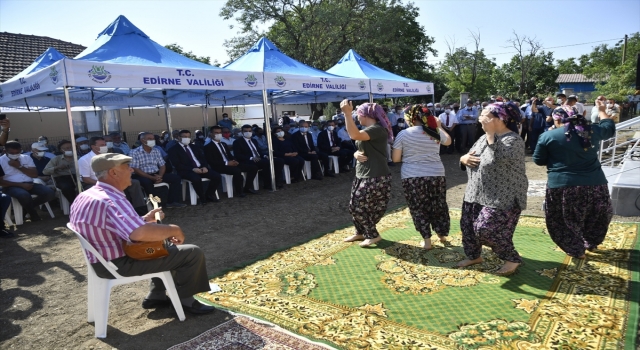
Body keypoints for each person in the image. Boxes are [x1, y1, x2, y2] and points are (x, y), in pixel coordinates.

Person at [69, 153, 215, 314]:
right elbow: (137, 234)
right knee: (191, 253)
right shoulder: (111, 199)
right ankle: (186, 302)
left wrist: (145, 219)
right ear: (113, 173)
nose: (131, 170)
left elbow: (114, 225)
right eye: (126, 167)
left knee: (161, 247)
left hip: (102, 261)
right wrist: (173, 229)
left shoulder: (88, 195)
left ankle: (156, 295)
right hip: (119, 263)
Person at [533, 101, 615, 259]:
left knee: (563, 219)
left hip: (563, 185)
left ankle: (576, 249)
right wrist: (602, 110)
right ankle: (591, 242)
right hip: (595, 183)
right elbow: (609, 128)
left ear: (557, 120)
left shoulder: (547, 136)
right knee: (595, 216)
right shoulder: (592, 131)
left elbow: (538, 160)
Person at [458, 102, 527, 276]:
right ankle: (474, 256)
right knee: (468, 228)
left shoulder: (513, 140)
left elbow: (498, 157)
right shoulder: (482, 138)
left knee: (486, 229)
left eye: (485, 115)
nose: (480, 118)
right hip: (475, 193)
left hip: (502, 196)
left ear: (499, 119)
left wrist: (490, 133)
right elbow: (471, 156)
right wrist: (463, 158)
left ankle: (511, 258)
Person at [392, 105, 452, 250]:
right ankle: (442, 234)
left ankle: (427, 240)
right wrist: (439, 126)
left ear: (411, 118)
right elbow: (448, 141)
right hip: (436, 174)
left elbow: (395, 159)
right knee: (438, 204)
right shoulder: (434, 131)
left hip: (412, 175)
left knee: (418, 207)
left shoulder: (404, 134)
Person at [339, 100, 393, 247]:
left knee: (359, 206)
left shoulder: (377, 129)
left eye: (358, 114)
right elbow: (359, 141)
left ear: (366, 115)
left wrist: (347, 113)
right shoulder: (370, 129)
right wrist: (356, 153)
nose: (357, 117)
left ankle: (372, 234)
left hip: (376, 174)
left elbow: (354, 135)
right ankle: (360, 232)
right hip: (363, 173)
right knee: (355, 205)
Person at [78, 136, 148, 215]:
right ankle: (119, 212)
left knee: (134, 183)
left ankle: (140, 211)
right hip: (93, 183)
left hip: (112, 179)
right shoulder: (84, 160)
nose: (105, 146)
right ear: (93, 147)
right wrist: (106, 184)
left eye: (105, 144)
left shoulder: (109, 157)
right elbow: (86, 179)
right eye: (102, 145)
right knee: (115, 187)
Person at [0, 141, 56, 221]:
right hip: (10, 186)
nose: (15, 154)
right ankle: (33, 214)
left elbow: (34, 175)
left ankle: (25, 210)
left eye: (17, 152)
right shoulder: (1, 161)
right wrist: (21, 185)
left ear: (21, 150)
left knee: (49, 193)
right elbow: (1, 182)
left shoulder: (26, 158)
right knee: (23, 194)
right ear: (5, 151)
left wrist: (19, 166)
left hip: (30, 183)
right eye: (12, 152)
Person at [130, 132, 186, 208]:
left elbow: (162, 165)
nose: (152, 140)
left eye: (153, 139)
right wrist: (151, 177)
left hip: (156, 173)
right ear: (142, 140)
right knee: (147, 183)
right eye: (149, 139)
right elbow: (135, 169)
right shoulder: (134, 152)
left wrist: (160, 176)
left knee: (176, 178)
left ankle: (172, 201)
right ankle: (155, 204)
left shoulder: (156, 151)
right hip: (141, 175)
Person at [168, 130, 221, 205]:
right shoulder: (173, 149)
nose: (187, 138)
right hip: (186, 171)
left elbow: (203, 159)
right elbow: (177, 164)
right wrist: (192, 169)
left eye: (188, 137)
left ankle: (209, 194)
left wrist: (204, 167)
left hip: (200, 168)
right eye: (184, 137)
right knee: (196, 178)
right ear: (179, 137)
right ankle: (202, 198)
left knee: (217, 176)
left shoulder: (194, 147)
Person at [203, 126, 259, 198]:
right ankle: (239, 191)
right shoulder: (208, 147)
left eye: (220, 132)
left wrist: (234, 161)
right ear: (211, 134)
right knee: (237, 171)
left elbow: (229, 156)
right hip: (219, 166)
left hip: (229, 163)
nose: (218, 134)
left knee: (253, 168)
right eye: (216, 133)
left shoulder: (223, 144)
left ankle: (247, 187)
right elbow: (211, 161)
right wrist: (227, 163)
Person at [233, 124, 285, 191]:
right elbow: (238, 155)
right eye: (246, 131)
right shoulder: (238, 142)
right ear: (242, 132)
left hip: (259, 158)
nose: (248, 132)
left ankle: (276, 181)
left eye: (249, 131)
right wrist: (252, 158)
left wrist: (265, 156)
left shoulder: (254, 140)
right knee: (266, 163)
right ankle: (267, 184)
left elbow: (259, 152)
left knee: (279, 161)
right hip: (248, 160)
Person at [43, 140, 78, 205]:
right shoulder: (56, 159)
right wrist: (57, 167)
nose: (69, 149)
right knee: (66, 187)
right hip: (62, 178)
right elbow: (45, 171)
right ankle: (74, 205)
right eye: (66, 148)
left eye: (71, 147)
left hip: (78, 177)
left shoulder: (79, 158)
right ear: (61, 150)